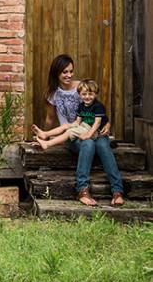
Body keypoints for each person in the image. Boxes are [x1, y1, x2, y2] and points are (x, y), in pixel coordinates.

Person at [35, 55, 124, 208]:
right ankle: (82, 190)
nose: (69, 75)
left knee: (103, 145)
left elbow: (98, 110)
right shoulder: (52, 93)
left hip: (94, 130)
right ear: (56, 73)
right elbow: (50, 118)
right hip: (73, 134)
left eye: (71, 71)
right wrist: (44, 134)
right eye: (64, 72)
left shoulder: (81, 88)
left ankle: (117, 191)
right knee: (88, 144)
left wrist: (108, 125)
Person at [33, 79, 108, 150]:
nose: (87, 97)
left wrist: (88, 134)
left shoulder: (98, 106)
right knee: (65, 126)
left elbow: (97, 123)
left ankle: (47, 144)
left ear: (96, 94)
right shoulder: (82, 106)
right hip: (83, 126)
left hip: (93, 131)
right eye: (84, 94)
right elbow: (78, 122)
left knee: (69, 132)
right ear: (80, 95)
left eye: (90, 94)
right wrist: (69, 126)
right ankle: (45, 134)